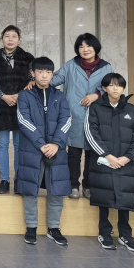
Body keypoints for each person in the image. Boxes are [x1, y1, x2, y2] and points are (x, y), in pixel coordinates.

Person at [46, 33, 112, 199]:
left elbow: (111, 87)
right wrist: (38, 79)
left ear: (95, 47)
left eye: (88, 46)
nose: (85, 49)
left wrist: (97, 94)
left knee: (92, 153)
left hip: (96, 115)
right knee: (74, 153)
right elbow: (54, 80)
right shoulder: (71, 65)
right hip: (74, 114)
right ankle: (73, 185)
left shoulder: (106, 67)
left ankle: (88, 186)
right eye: (81, 46)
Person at [84, 73, 134, 252]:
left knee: (125, 197)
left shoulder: (133, 110)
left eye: (119, 85)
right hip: (104, 161)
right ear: (104, 88)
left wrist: (128, 157)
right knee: (104, 197)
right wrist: (107, 156)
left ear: (123, 88)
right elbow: (90, 133)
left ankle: (125, 235)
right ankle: (105, 233)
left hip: (126, 162)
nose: (115, 88)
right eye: (111, 85)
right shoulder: (95, 108)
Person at [17, 57, 71, 247]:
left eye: (48, 72)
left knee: (56, 189)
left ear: (52, 74)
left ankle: (54, 228)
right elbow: (23, 120)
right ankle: (31, 227)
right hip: (32, 149)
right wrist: (41, 144)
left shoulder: (59, 96)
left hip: (56, 150)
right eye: (40, 72)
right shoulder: (25, 95)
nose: (44, 76)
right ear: (33, 73)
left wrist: (56, 143)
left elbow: (66, 119)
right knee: (30, 189)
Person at [0, 25, 34, 194]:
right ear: (2, 39)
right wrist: (3, 96)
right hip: (1, 106)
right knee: (2, 144)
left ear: (19, 40)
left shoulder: (28, 58)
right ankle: (4, 180)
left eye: (14, 36)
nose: (10, 39)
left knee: (19, 145)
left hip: (22, 106)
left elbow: (32, 79)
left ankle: (19, 180)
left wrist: (21, 95)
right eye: (7, 36)